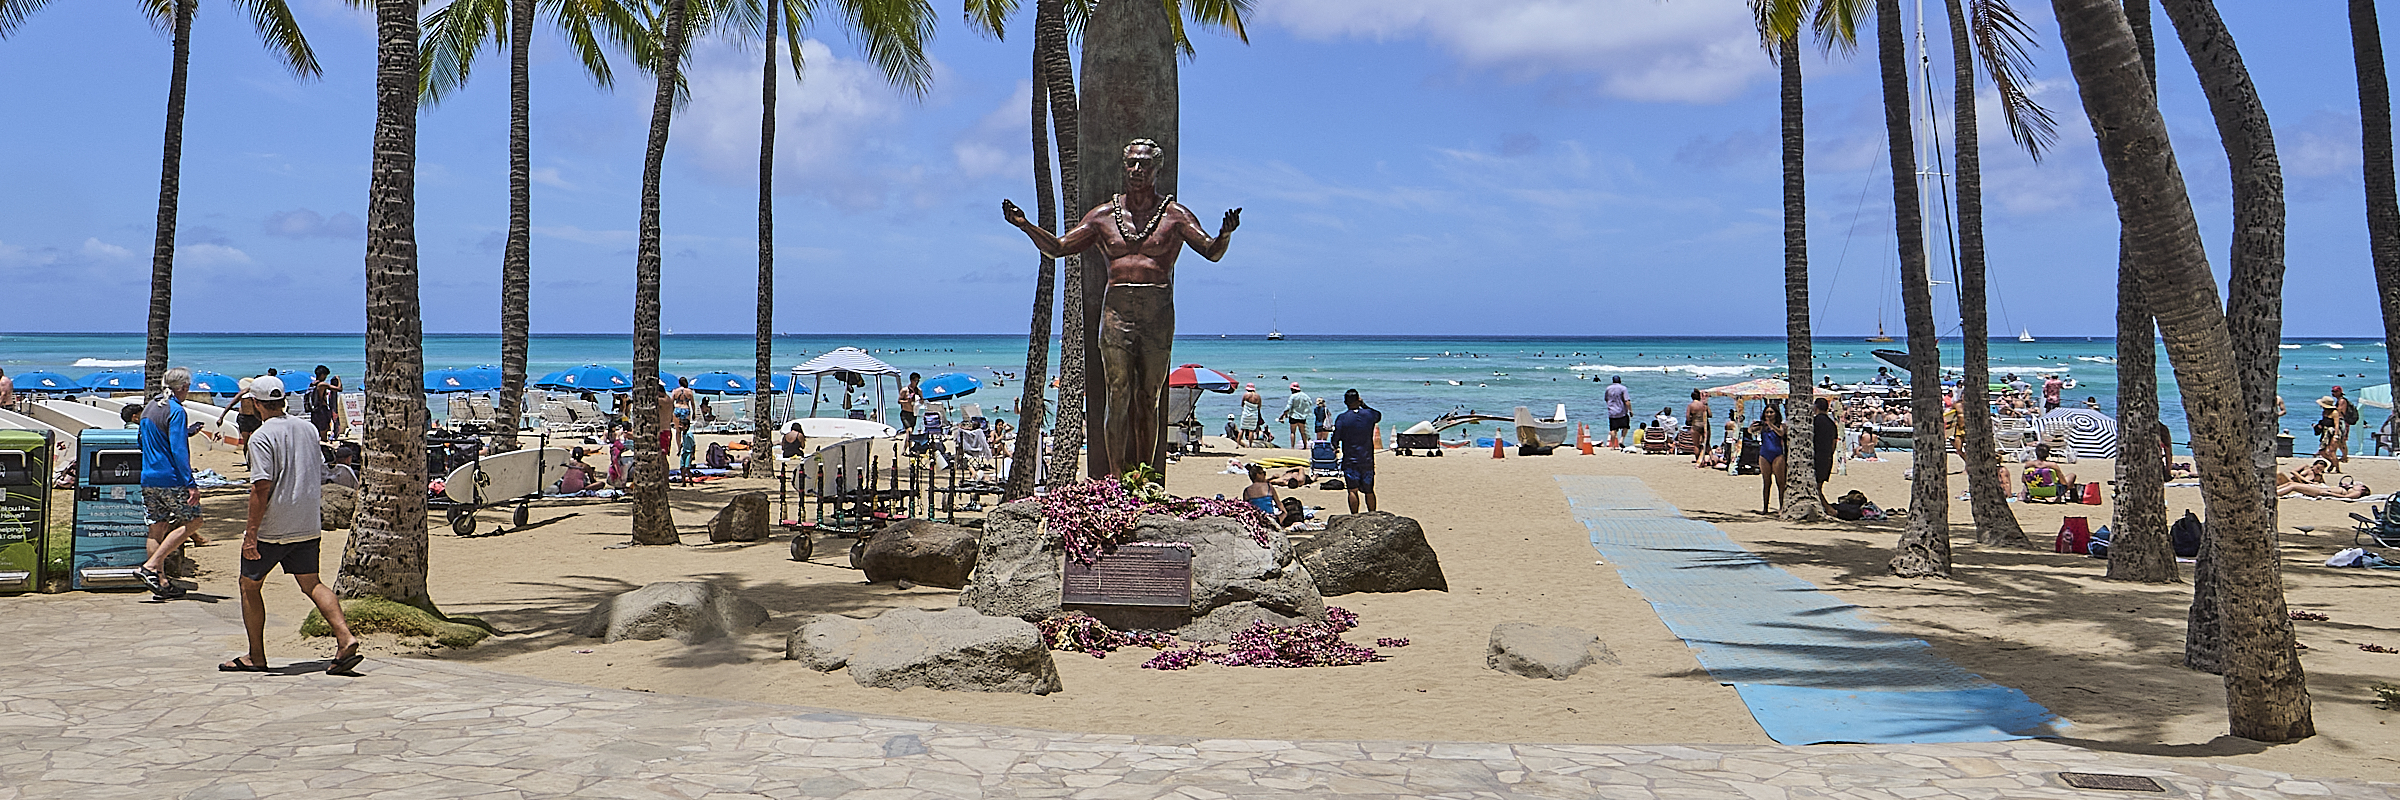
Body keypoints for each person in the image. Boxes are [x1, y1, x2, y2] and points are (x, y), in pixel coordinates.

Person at [1001, 137, 1240, 475]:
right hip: (1116, 316)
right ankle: (1115, 480)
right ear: (1124, 167)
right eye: (1132, 163)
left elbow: (1212, 252)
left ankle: (1145, 478)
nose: (1137, 169)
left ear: (1157, 168)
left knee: (1149, 399)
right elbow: (1057, 248)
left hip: (1157, 316)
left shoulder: (1175, 216)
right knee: (1118, 395)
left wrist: (1225, 234)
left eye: (1144, 163)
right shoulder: (1102, 217)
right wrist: (1025, 225)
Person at [223, 376, 361, 675]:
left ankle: (255, 656)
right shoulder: (308, 428)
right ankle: (345, 636)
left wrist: (251, 534)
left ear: (256, 404)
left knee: (249, 585)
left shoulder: (261, 436)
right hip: (307, 521)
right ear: (283, 400)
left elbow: (261, 487)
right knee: (311, 583)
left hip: (274, 526)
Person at [135, 367, 207, 599]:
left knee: (157, 528)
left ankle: (162, 583)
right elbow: (178, 450)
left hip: (148, 476)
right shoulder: (176, 410)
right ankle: (151, 566)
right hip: (171, 478)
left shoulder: (148, 409)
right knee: (194, 521)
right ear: (184, 387)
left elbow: (141, 442)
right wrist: (190, 483)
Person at [1331, 389, 1381, 513]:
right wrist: (1363, 404)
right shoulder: (1369, 415)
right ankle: (1372, 513)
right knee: (1369, 490)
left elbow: (1335, 439)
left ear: (1345, 402)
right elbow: (1378, 415)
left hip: (1350, 459)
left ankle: (1354, 515)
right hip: (1367, 459)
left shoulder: (1342, 418)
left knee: (1352, 490)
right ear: (1358, 399)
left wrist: (1335, 446)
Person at [1754, 403, 1788, 513]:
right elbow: (1750, 432)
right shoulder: (1762, 426)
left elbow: (1781, 433)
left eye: (1771, 412)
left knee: (1780, 483)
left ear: (1776, 414)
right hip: (1764, 455)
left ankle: (1782, 507)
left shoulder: (1781, 425)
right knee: (1766, 482)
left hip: (1777, 455)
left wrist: (1771, 425)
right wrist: (1752, 427)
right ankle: (1765, 508)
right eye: (1767, 412)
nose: (1769, 414)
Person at [1241, 464, 1286, 529]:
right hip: (1269, 518)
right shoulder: (1268, 487)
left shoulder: (1247, 491)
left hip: (1255, 519)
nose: (1265, 475)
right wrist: (1284, 514)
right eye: (1263, 473)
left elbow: (1246, 508)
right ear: (1258, 475)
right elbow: (1279, 504)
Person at [1812, 397, 1838, 490]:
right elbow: (1833, 444)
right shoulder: (1831, 424)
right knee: (1819, 486)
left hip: (1815, 456)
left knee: (1816, 487)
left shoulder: (1813, 422)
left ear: (1815, 408)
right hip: (1826, 457)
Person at [305, 365, 338, 440]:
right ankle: (324, 447)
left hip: (314, 410)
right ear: (322, 375)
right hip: (322, 409)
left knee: (317, 429)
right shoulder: (322, 384)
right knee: (324, 429)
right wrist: (338, 380)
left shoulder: (313, 384)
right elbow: (339, 389)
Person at [1685, 390, 1712, 462]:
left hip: (1696, 425)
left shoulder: (1690, 406)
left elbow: (1687, 418)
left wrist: (1692, 418)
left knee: (1696, 445)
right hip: (1705, 425)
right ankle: (1712, 458)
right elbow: (1710, 415)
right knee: (1707, 444)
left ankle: (1699, 460)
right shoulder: (1704, 405)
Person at [1604, 376, 1631, 448]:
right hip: (1622, 411)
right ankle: (1621, 439)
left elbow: (1606, 399)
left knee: (1613, 429)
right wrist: (1630, 410)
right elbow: (1627, 400)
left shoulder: (1608, 388)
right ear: (1620, 381)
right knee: (1626, 426)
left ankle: (1613, 446)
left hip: (1612, 412)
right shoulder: (1623, 388)